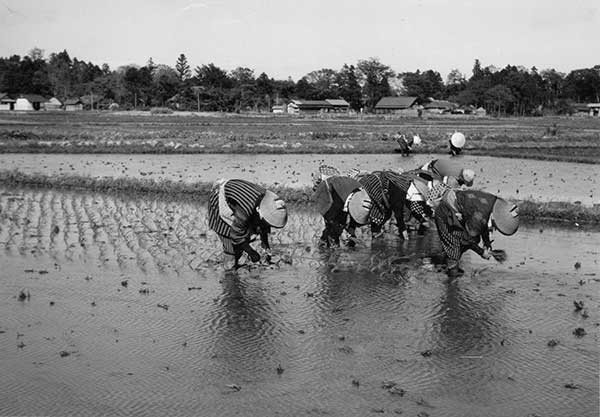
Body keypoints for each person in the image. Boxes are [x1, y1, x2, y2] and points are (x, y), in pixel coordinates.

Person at [431, 187, 519, 278]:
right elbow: (467, 239)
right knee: (455, 244)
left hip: (458, 211)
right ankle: (452, 278)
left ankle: (444, 262)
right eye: (496, 226)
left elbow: (483, 223)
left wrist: (487, 243)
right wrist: (481, 252)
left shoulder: (492, 202)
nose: (495, 229)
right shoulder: (480, 216)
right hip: (444, 213)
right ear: (495, 218)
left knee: (465, 242)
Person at [208, 179, 288, 268]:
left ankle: (235, 263)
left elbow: (264, 223)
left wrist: (265, 245)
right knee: (231, 246)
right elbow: (236, 236)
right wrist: (251, 252)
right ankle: (229, 271)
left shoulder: (270, 201)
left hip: (237, 198)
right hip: (220, 198)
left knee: (243, 238)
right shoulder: (244, 213)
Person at [357, 170, 434, 240]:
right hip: (373, 185)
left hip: (383, 187)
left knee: (387, 213)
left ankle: (376, 233)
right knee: (381, 212)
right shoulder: (401, 192)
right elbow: (398, 213)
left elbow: (410, 205)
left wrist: (422, 220)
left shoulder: (408, 188)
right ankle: (374, 233)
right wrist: (403, 231)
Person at [312, 175, 372, 248]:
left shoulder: (362, 198)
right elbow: (331, 219)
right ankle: (328, 246)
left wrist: (351, 229)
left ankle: (323, 243)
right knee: (334, 230)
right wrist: (343, 232)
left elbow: (357, 215)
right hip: (327, 194)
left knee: (341, 225)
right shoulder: (335, 202)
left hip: (344, 194)